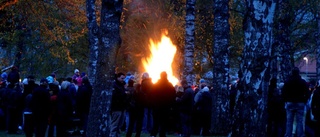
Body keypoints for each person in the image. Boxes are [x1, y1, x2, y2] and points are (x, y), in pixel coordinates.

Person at [282, 67, 309, 137]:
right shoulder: (302, 82)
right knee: (300, 121)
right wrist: (304, 100)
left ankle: (288, 134)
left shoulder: (287, 81)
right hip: (300, 102)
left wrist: (286, 100)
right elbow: (307, 92)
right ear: (298, 73)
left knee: (289, 121)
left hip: (290, 102)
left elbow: (283, 92)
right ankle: (300, 135)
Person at [150, 71, 176, 137]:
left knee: (156, 122)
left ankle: (154, 134)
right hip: (166, 107)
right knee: (163, 123)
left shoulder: (156, 85)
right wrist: (171, 106)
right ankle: (162, 134)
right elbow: (173, 96)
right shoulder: (170, 85)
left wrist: (153, 104)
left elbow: (152, 95)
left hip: (157, 107)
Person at [110, 72, 127, 137]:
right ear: (118, 78)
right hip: (116, 108)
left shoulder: (122, 85)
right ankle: (112, 135)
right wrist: (124, 94)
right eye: (122, 78)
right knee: (115, 124)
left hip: (122, 107)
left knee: (120, 124)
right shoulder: (115, 85)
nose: (123, 80)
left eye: (124, 78)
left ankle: (117, 135)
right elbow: (115, 96)